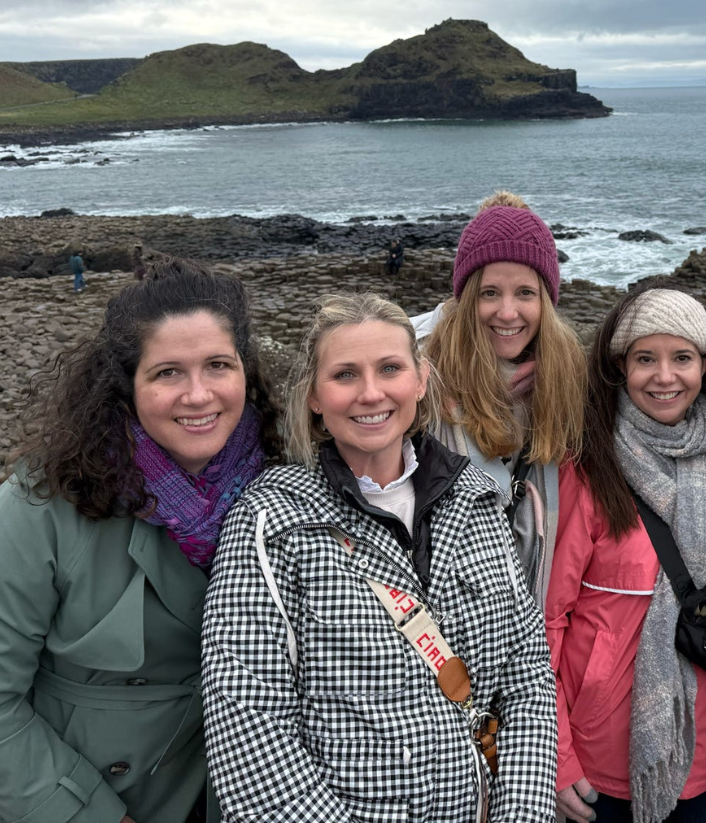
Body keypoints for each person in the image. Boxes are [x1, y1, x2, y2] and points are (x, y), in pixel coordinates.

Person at [0, 258, 283, 823]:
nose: (198, 395)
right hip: (57, 801)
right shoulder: (38, 511)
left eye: (218, 365)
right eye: (168, 372)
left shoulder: (282, 485)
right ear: (126, 384)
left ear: (246, 371)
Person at [201, 293, 558, 822]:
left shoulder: (478, 500)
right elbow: (249, 731)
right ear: (316, 397)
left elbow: (527, 679)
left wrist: (521, 814)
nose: (371, 393)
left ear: (420, 379)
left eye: (390, 368)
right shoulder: (271, 520)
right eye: (345, 374)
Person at [548, 287, 706, 823]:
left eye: (681, 358)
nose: (664, 376)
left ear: (705, 363)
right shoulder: (587, 470)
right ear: (619, 367)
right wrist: (559, 760)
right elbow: (547, 623)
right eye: (645, 359)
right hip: (598, 758)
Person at [418, 190, 587, 600]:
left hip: (527, 612)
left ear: (545, 300)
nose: (507, 313)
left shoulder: (568, 378)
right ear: (466, 296)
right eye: (489, 293)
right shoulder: (421, 374)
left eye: (525, 293)